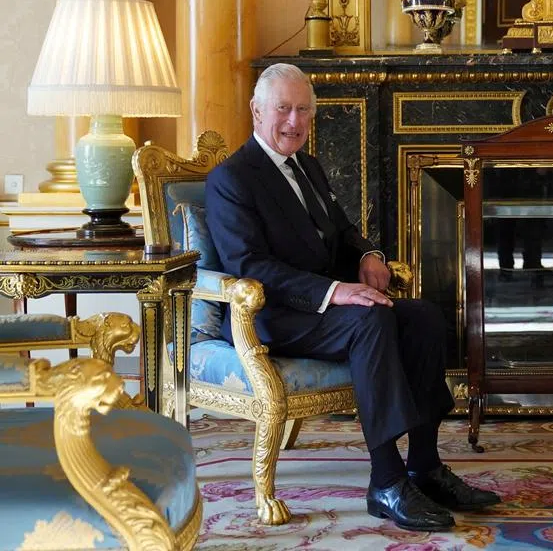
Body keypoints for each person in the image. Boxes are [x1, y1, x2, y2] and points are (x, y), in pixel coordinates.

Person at [206, 63, 499, 532]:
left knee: (421, 316)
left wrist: (370, 254)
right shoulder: (232, 178)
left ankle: (424, 466)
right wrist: (336, 291)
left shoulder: (307, 165)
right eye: (283, 108)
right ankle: (385, 480)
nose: (294, 122)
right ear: (256, 110)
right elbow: (249, 266)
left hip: (322, 308)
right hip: (271, 314)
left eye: (304, 110)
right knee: (371, 320)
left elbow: (342, 232)